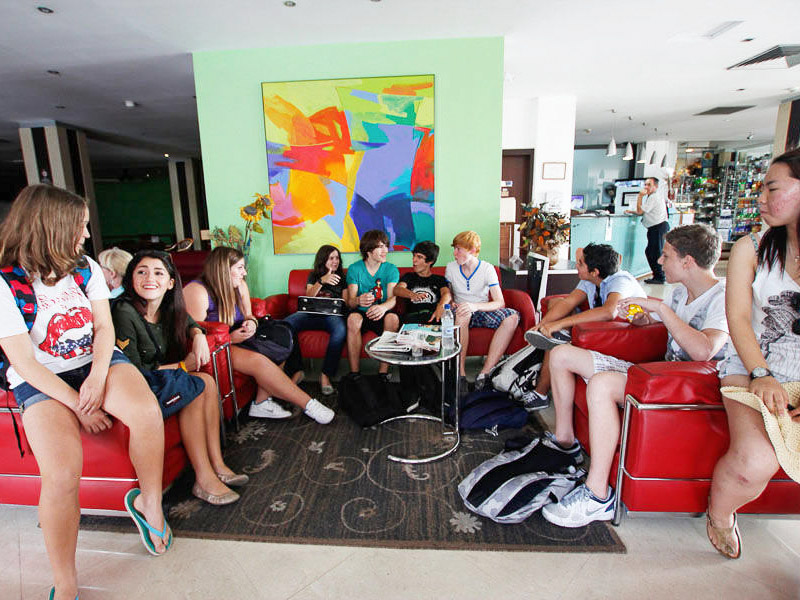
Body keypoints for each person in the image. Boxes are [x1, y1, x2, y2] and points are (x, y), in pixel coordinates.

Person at [0, 185, 170, 600]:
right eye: (80, 225)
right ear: (52, 227)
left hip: (96, 360)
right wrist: (80, 405)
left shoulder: (85, 267)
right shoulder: (5, 283)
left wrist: (96, 377)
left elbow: (104, 327)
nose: (87, 234)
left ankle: (149, 504)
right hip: (40, 377)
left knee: (147, 413)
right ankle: (65, 581)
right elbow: (24, 363)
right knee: (60, 476)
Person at [541, 224, 729, 527]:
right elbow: (661, 326)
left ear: (687, 261)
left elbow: (703, 350)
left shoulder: (723, 297)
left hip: (687, 386)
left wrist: (660, 310)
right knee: (562, 355)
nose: (659, 261)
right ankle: (566, 441)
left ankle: (597, 495)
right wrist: (642, 317)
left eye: (666, 255)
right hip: (659, 375)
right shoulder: (680, 292)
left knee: (602, 385)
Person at [708, 148, 800, 559]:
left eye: (772, 189)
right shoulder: (752, 247)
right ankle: (720, 513)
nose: (760, 198)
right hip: (751, 364)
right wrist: (761, 373)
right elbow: (739, 318)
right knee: (753, 463)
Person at [113, 250, 248, 506]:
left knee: (207, 382)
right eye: (141, 272)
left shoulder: (167, 306)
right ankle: (203, 478)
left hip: (161, 379)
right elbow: (132, 371)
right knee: (193, 387)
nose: (149, 278)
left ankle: (217, 463)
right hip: (137, 389)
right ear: (131, 279)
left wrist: (198, 335)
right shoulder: (124, 312)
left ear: (170, 282)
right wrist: (182, 366)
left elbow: (189, 323)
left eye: (158, 273)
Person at [183, 247, 334, 424]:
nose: (244, 273)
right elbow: (194, 336)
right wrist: (230, 339)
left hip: (242, 336)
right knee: (260, 361)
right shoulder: (197, 291)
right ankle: (309, 405)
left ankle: (261, 403)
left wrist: (252, 324)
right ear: (223, 268)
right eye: (240, 268)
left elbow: (249, 315)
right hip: (219, 345)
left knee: (280, 343)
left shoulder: (240, 285)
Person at [524, 243, 646, 410]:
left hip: (627, 338)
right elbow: (568, 302)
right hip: (599, 330)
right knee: (556, 303)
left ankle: (541, 392)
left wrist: (558, 324)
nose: (576, 266)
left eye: (580, 264)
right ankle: (560, 337)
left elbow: (608, 312)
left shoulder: (621, 281)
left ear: (594, 272)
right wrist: (542, 325)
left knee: (557, 333)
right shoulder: (590, 280)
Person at [445, 230, 519, 390]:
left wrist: (475, 306)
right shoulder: (451, 268)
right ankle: (461, 374)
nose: (455, 253)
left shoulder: (487, 269)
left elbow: (500, 302)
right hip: (461, 311)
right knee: (463, 314)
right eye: (455, 249)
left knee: (512, 317)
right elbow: (448, 293)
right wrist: (451, 302)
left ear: (472, 250)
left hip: (481, 309)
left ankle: (484, 373)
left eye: (459, 249)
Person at [283, 245, 348, 396]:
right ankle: (298, 371)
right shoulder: (314, 276)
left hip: (332, 316)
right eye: (331, 258)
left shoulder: (343, 277)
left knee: (340, 330)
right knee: (286, 325)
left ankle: (325, 375)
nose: (335, 261)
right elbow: (309, 296)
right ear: (323, 260)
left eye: (337, 258)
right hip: (310, 314)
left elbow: (345, 301)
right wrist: (322, 281)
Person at [345, 230, 400, 376]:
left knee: (393, 318)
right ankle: (354, 373)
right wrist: (358, 300)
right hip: (361, 313)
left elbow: (392, 298)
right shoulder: (355, 269)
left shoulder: (391, 269)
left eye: (386, 246)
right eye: (380, 247)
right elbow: (350, 302)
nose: (385, 250)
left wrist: (382, 308)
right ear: (368, 250)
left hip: (382, 312)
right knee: (352, 318)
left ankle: (383, 373)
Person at [394, 241, 451, 325]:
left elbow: (446, 294)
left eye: (419, 257)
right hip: (411, 319)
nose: (414, 260)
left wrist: (441, 306)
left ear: (430, 261)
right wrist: (412, 295)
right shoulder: (408, 276)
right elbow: (397, 289)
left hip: (433, 318)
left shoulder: (439, 279)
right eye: (414, 256)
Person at [625, 177, 669, 284]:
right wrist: (631, 211)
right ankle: (658, 275)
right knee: (651, 252)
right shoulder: (652, 197)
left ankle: (660, 277)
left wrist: (640, 196)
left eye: (649, 185)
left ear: (656, 186)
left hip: (658, 227)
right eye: (645, 184)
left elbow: (640, 211)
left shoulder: (654, 197)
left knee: (654, 252)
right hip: (656, 227)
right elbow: (642, 211)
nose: (646, 187)